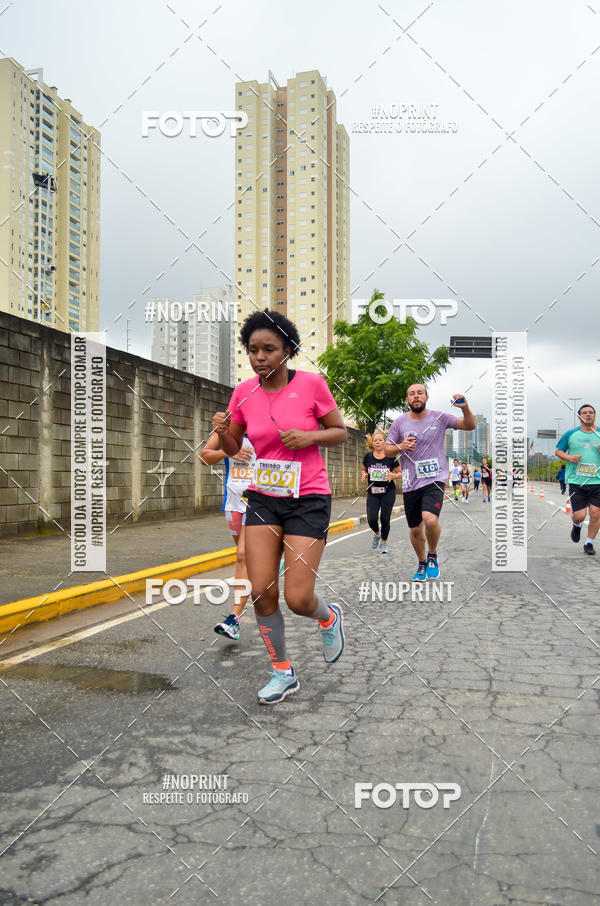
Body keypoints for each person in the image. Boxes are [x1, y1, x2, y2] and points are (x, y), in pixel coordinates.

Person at [211, 308, 347, 704]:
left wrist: (309, 438)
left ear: (287, 350)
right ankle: (282, 672)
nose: (260, 357)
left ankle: (328, 617)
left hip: (308, 498)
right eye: (253, 350)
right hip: (264, 498)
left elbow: (339, 431)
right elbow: (236, 449)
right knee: (261, 591)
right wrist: (223, 435)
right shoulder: (243, 393)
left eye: (269, 349)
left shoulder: (311, 385)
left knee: (298, 598)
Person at [385, 385, 475, 581]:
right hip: (410, 482)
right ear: (407, 400)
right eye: (411, 394)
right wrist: (400, 446)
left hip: (435, 478)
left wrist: (464, 408)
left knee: (430, 519)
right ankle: (422, 562)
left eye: (420, 393)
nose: (416, 397)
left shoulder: (440, 417)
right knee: (416, 529)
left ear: (427, 397)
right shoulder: (399, 422)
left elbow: (469, 426)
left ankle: (432, 555)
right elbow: (386, 450)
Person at [200, 432, 255, 641]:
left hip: (258, 502)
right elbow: (204, 456)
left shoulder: (266, 423)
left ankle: (234, 618)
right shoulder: (228, 429)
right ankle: (269, 563)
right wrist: (229, 450)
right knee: (248, 559)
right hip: (232, 502)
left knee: (242, 555)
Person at [555, 404, 600, 555]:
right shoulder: (570, 434)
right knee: (580, 515)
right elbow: (558, 450)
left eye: (591, 412)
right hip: (577, 481)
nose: (588, 415)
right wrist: (569, 457)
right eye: (584, 413)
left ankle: (589, 543)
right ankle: (576, 524)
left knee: (595, 513)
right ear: (579, 417)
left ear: (595, 415)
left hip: (597, 481)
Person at [361, 429, 402, 554]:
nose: (378, 442)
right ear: (372, 443)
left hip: (388, 492)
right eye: (375, 440)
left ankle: (384, 543)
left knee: (385, 519)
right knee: (371, 519)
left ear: (385, 442)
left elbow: (401, 473)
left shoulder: (391, 458)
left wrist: (394, 476)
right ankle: (377, 534)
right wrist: (364, 474)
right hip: (373, 492)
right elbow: (363, 469)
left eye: (380, 440)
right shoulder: (368, 456)